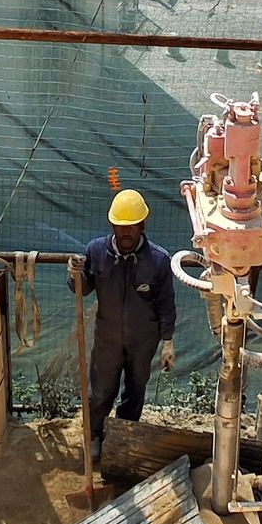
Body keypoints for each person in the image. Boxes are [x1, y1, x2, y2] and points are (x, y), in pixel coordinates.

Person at [68, 189, 177, 463]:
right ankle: (95, 434)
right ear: (112, 225)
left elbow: (166, 303)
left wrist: (168, 341)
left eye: (131, 227)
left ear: (142, 225)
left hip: (144, 340)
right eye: (121, 226)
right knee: (102, 390)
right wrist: (74, 275)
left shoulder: (159, 260)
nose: (126, 233)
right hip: (107, 338)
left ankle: (123, 436)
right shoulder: (96, 252)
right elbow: (83, 290)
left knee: (136, 389)